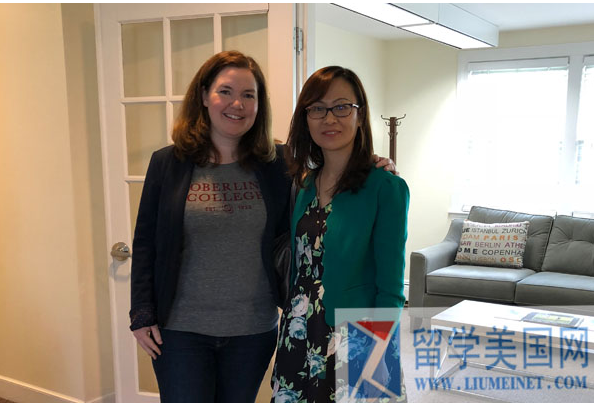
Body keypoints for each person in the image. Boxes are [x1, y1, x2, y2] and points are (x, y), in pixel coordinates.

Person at [129, 51, 396, 403]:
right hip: (180, 330)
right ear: (204, 95)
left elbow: (336, 173)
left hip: (253, 330)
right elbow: (146, 241)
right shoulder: (168, 163)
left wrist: (375, 164)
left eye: (248, 95)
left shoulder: (278, 164)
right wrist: (141, 312)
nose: (236, 104)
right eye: (225, 91)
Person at [271, 66, 409, 403]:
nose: (329, 118)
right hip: (298, 330)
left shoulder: (385, 187)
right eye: (318, 108)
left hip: (353, 333)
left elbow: (391, 286)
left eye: (342, 107)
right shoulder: (304, 184)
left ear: (360, 115)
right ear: (306, 118)